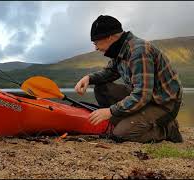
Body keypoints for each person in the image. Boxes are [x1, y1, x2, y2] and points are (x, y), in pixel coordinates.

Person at [74, 15, 183, 143]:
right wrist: (89, 78)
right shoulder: (119, 49)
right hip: (146, 98)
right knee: (101, 88)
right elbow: (109, 72)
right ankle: (130, 120)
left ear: (109, 37)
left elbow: (142, 95)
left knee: (121, 134)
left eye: (96, 42)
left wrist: (110, 111)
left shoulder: (139, 51)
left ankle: (168, 129)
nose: (96, 48)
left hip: (163, 104)